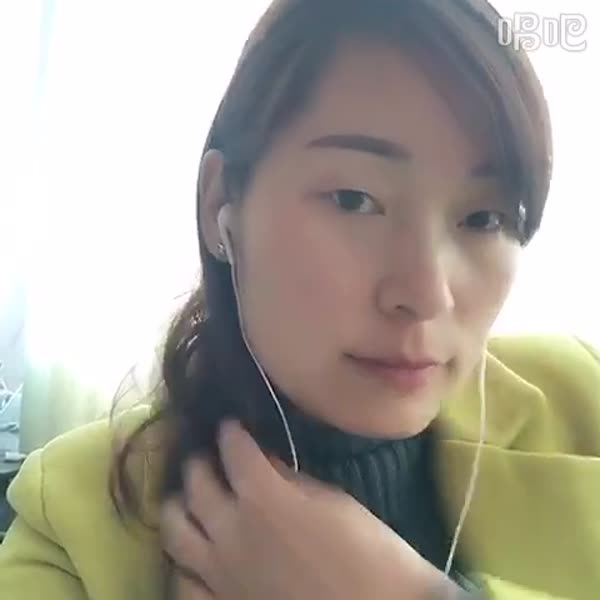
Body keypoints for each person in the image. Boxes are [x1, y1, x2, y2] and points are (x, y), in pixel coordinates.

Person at [1, 0, 599, 598]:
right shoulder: (74, 519)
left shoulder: (580, 400)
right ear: (220, 206)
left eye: (484, 217)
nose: (425, 294)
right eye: (354, 200)